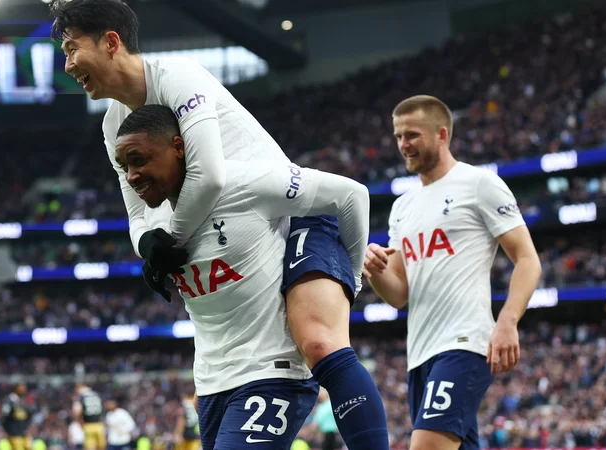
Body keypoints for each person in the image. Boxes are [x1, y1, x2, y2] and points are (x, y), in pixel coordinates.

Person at [50, 3, 387, 447]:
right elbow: (137, 214)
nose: (67, 63)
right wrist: (147, 247)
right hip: (236, 236)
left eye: (73, 48)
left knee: (319, 343)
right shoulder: (116, 124)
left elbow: (209, 176)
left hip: (293, 214)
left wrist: (169, 239)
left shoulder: (178, 79)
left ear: (111, 42)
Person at [112, 104, 383, 449]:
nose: (132, 174)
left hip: (272, 372)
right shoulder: (155, 223)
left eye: (139, 159)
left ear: (178, 147)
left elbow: (350, 195)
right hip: (213, 385)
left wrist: (352, 281)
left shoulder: (239, 183)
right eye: (125, 166)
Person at [362, 95, 542, 450]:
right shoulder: (402, 207)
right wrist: (375, 271)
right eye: (398, 136)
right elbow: (399, 295)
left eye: (412, 135)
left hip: (464, 343)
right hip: (421, 354)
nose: (403, 145)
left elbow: (527, 258)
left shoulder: (478, 184)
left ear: (442, 134)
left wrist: (507, 321)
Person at [1, 383, 34, 450]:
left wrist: (28, 428)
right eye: (21, 388)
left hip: (24, 434)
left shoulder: (25, 401)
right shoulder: (9, 401)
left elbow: (29, 417)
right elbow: (4, 417)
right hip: (15, 434)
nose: (23, 390)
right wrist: (6, 431)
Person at [73, 385, 106, 450]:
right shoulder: (97, 395)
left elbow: (77, 411)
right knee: (101, 446)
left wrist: (79, 421)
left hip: (88, 425)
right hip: (99, 424)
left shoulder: (82, 397)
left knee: (89, 446)